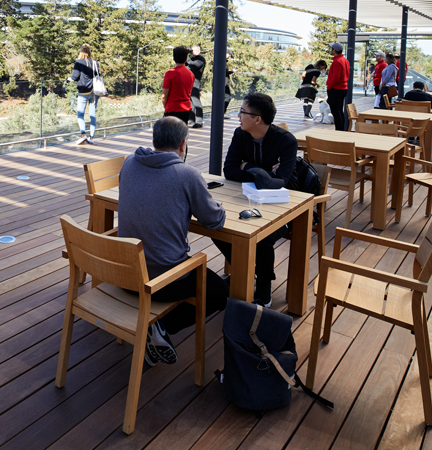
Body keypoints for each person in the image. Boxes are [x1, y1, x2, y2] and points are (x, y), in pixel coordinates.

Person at [117, 116, 229, 365]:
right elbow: (214, 220)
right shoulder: (187, 174)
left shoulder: (129, 163)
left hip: (124, 274)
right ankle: (160, 325)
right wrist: (217, 204)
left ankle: (155, 329)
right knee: (222, 294)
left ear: (154, 140)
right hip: (162, 281)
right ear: (183, 145)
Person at [215, 92, 299, 306]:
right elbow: (229, 171)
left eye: (242, 111)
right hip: (247, 198)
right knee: (217, 225)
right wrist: (255, 169)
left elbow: (281, 181)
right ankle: (244, 269)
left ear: (257, 119)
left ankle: (263, 286)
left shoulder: (285, 140)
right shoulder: (240, 134)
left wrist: (246, 167)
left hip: (285, 204)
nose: (238, 115)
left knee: (262, 236)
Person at [69, 44, 100, 145]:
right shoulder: (95, 63)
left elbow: (75, 77)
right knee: (92, 115)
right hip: (95, 92)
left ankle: (83, 135)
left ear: (81, 51)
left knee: (80, 114)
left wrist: (69, 79)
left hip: (83, 92)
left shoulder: (78, 62)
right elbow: (97, 75)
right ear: (90, 51)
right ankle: (91, 138)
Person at [162, 45, 195, 123]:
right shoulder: (191, 74)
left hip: (172, 109)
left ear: (174, 59)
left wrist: (166, 107)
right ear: (186, 59)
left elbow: (164, 96)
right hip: (186, 109)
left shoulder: (170, 73)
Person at [326, 42, 350, 132]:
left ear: (334, 50)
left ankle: (339, 131)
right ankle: (342, 130)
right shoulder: (345, 60)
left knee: (336, 112)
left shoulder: (337, 61)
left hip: (336, 89)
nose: (331, 50)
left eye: (331, 49)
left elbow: (336, 77)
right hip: (343, 88)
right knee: (339, 111)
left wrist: (329, 86)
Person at [186, 45, 206, 128]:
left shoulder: (200, 59)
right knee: (190, 101)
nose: (192, 52)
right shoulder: (192, 58)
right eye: (191, 51)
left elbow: (194, 65)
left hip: (195, 82)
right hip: (189, 81)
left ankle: (199, 121)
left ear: (198, 51)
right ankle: (191, 118)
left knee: (196, 101)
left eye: (193, 50)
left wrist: (186, 57)